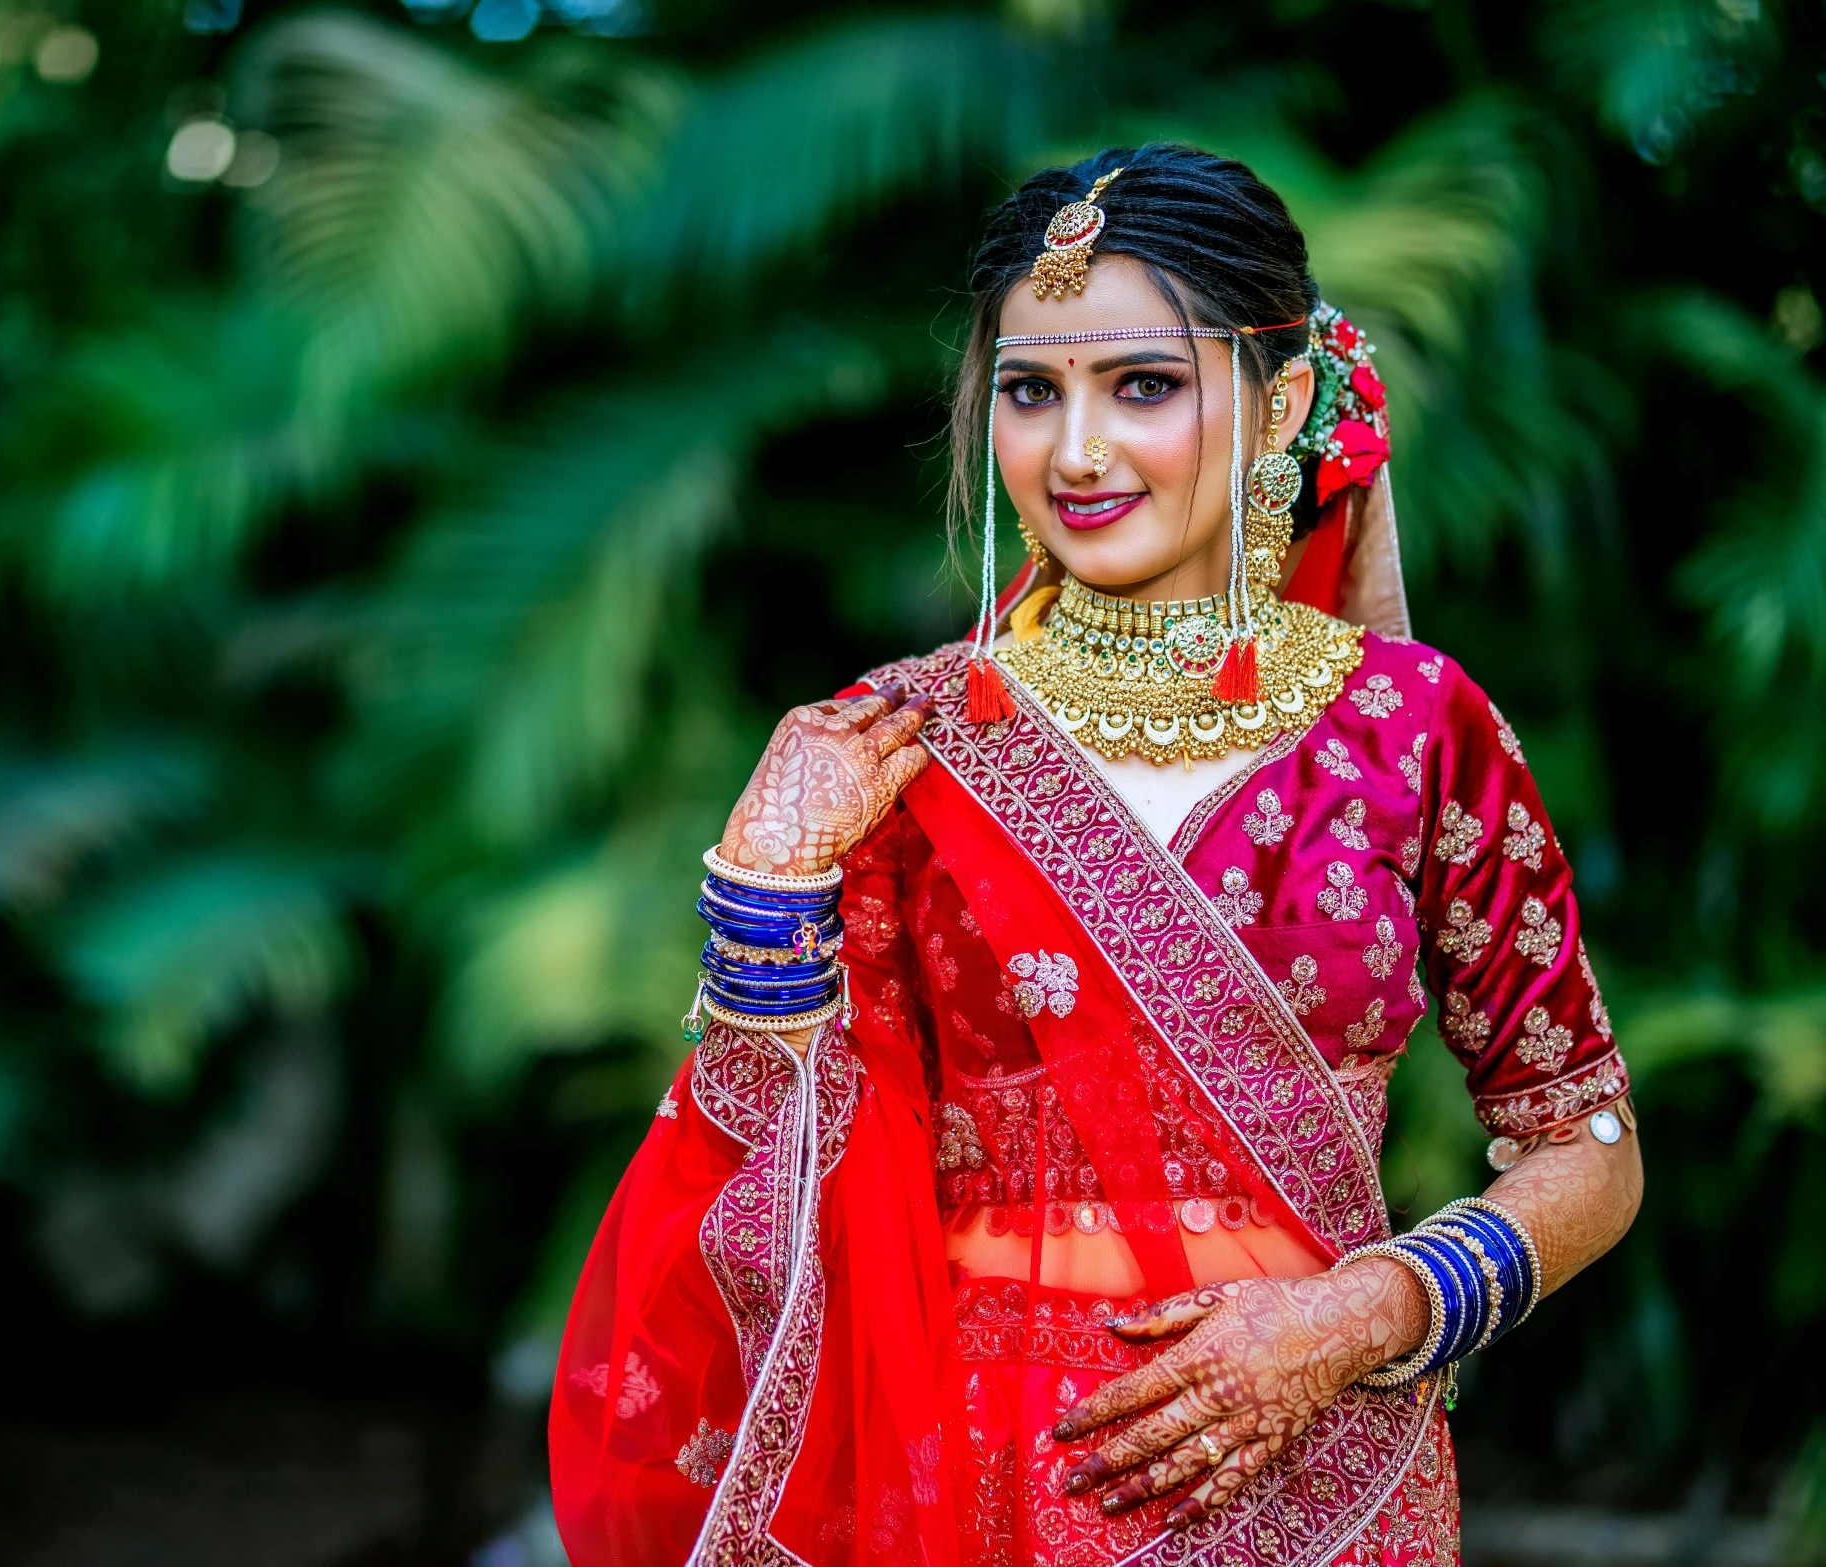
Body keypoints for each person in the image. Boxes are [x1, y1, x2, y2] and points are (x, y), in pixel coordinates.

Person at [548, 143, 1642, 1567]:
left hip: (1330, 1471)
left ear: (1281, 400)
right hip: (975, 1472)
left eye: (1142, 385)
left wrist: (1355, 1314)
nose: (1073, 450)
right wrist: (762, 898)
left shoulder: (1409, 725)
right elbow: (774, 1197)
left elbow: (1585, 1146)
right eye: (1028, 390)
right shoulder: (892, 747)